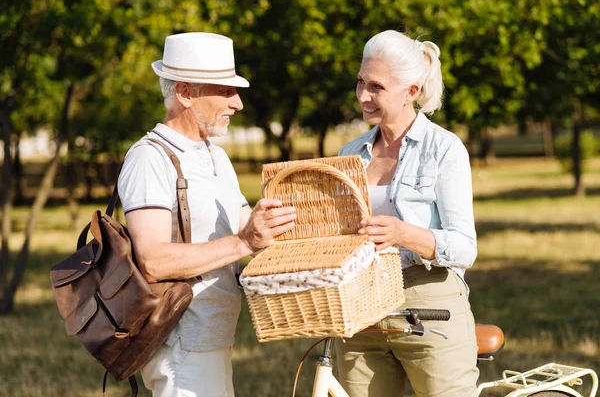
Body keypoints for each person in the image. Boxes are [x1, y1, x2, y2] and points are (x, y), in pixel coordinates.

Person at [117, 32, 296, 397]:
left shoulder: (214, 155)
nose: (239, 103)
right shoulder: (149, 158)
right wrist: (244, 242)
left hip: (212, 339)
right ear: (185, 93)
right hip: (181, 346)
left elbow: (249, 228)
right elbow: (152, 260)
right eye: (226, 91)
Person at [336, 30, 479, 396]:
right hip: (361, 307)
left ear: (411, 91)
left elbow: (464, 247)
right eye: (361, 83)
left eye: (377, 87)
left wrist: (403, 234)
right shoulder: (349, 154)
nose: (364, 96)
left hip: (430, 307)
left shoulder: (443, 149)